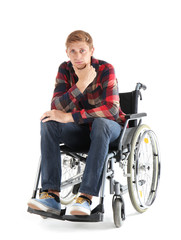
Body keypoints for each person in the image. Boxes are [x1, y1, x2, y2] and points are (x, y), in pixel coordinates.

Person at [28, 30, 126, 216]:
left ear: (91, 50)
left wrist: (71, 117)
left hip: (109, 131)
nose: (78, 56)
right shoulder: (65, 69)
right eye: (73, 51)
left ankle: (85, 197)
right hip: (81, 133)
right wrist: (80, 85)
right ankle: (52, 195)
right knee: (49, 121)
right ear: (67, 52)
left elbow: (111, 111)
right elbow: (56, 107)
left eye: (82, 50)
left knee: (101, 124)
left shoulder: (106, 69)